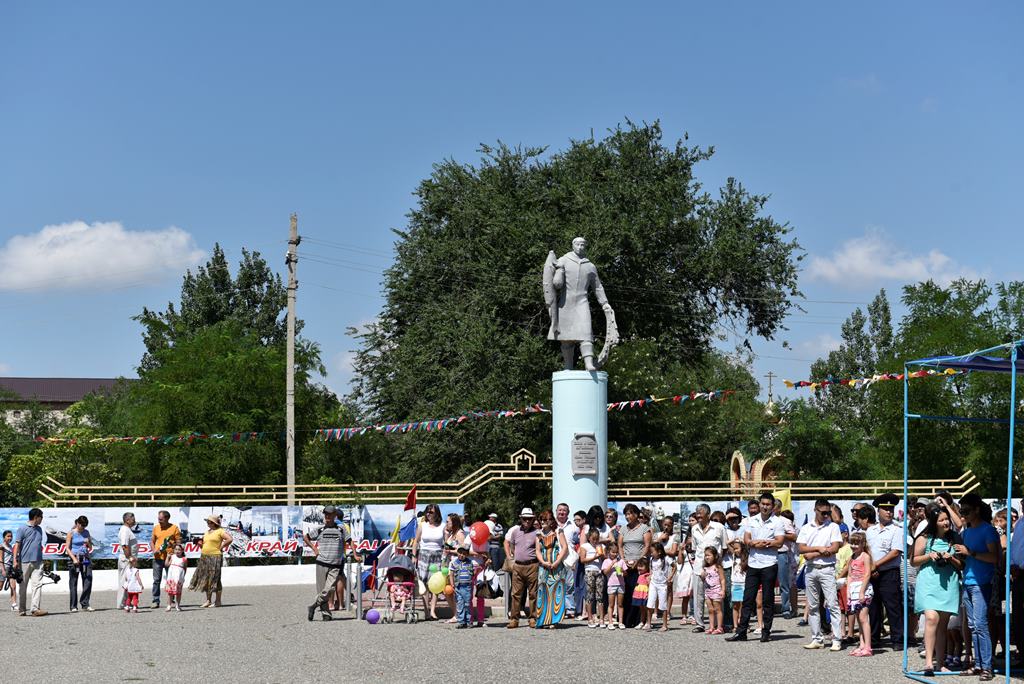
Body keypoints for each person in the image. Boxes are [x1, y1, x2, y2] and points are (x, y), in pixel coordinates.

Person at [727, 491, 785, 642]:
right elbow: (747, 539)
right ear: (759, 505)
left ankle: (766, 631)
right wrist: (754, 543)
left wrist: (765, 543)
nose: (765, 507)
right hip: (753, 563)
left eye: (768, 504)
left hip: (769, 564)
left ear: (773, 507)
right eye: (763, 504)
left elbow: (779, 542)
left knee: (767, 599)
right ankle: (741, 632)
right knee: (748, 598)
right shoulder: (751, 521)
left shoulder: (777, 522)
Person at [912, 502, 962, 676]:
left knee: (943, 625)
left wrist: (951, 558)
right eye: (941, 520)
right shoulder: (924, 538)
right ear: (934, 522)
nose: (946, 523)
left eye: (947, 519)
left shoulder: (954, 538)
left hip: (949, 584)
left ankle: (940, 663)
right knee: (932, 618)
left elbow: (962, 564)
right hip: (928, 584)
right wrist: (929, 555)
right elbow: (914, 560)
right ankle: (928, 662)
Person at [953, 494, 999, 680]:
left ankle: (986, 666)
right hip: (968, 582)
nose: (963, 515)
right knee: (972, 625)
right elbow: (966, 559)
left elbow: (995, 558)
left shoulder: (988, 530)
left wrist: (970, 552)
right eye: (961, 511)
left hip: (982, 583)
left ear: (976, 510)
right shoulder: (967, 532)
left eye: (966, 511)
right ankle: (978, 664)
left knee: (980, 624)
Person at [796, 498, 843, 651]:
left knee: (832, 603)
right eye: (823, 513)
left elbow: (834, 547)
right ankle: (817, 638)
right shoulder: (806, 527)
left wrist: (813, 553)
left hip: (827, 569)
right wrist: (819, 549)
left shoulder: (833, 527)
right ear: (815, 510)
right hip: (810, 569)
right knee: (813, 605)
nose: (826, 516)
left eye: (828, 513)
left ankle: (837, 639)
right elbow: (801, 548)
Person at [866, 493, 904, 650]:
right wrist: (871, 566)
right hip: (872, 572)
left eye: (891, 509)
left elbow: (895, 552)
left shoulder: (897, 529)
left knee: (893, 606)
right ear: (878, 511)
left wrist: (876, 565)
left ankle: (898, 640)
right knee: (873, 608)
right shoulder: (871, 530)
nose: (889, 512)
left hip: (889, 572)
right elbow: (867, 550)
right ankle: (874, 639)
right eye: (885, 509)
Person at [304, 505, 352, 621]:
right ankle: (326, 614)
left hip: (335, 565)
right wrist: (314, 549)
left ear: (335, 516)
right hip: (321, 563)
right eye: (325, 514)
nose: (327, 516)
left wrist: (355, 554)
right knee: (321, 590)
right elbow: (306, 537)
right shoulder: (320, 529)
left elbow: (350, 541)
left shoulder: (341, 529)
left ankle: (313, 605)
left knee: (329, 589)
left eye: (330, 514)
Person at [838, 531, 875, 657]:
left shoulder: (865, 556)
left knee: (864, 618)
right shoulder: (852, 557)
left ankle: (868, 647)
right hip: (853, 588)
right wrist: (848, 591)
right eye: (852, 543)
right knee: (859, 619)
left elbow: (867, 574)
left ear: (862, 544)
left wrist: (861, 591)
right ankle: (861, 644)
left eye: (856, 543)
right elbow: (849, 575)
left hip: (863, 588)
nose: (854, 546)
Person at [618, 503, 652, 628]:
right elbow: (620, 545)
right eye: (626, 514)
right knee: (625, 592)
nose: (628, 516)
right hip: (626, 564)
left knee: (638, 592)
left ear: (636, 515)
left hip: (640, 566)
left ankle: (639, 620)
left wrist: (638, 561)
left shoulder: (644, 528)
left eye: (630, 514)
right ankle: (625, 620)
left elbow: (647, 546)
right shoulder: (623, 529)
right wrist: (623, 560)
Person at [188, 514, 232, 609]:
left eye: (209, 521)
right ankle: (208, 600)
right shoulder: (207, 532)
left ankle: (218, 601)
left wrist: (221, 546)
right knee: (207, 579)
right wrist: (200, 544)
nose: (207, 523)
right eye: (207, 521)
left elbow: (229, 539)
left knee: (215, 578)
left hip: (215, 557)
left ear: (214, 523)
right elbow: (205, 544)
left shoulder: (220, 531)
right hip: (204, 556)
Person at [535, 509, 568, 629]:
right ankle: (543, 619)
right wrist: (543, 562)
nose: (542, 522)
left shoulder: (558, 531)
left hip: (557, 567)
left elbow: (564, 547)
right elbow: (538, 550)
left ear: (550, 521)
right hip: (544, 567)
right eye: (541, 519)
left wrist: (557, 562)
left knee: (556, 592)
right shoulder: (538, 534)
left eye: (545, 519)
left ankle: (554, 619)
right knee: (542, 592)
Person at [507, 507, 539, 629]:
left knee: (533, 594)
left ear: (532, 519)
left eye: (529, 519)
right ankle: (514, 619)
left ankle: (533, 618)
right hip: (518, 565)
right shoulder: (515, 532)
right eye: (525, 518)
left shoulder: (537, 532)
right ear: (521, 519)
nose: (527, 521)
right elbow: (512, 546)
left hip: (532, 565)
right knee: (515, 594)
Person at [412, 504, 445, 620]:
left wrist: (445, 557)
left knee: (435, 584)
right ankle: (426, 611)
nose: (428, 514)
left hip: (437, 555)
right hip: (424, 555)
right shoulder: (422, 525)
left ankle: (432, 611)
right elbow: (416, 541)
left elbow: (446, 543)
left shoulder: (442, 526)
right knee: (424, 584)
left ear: (437, 514)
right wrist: (414, 555)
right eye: (427, 512)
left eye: (431, 512)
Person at [12, 508, 46, 617]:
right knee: (23, 586)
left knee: (37, 585)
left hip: (38, 562)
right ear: (36, 517)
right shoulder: (22, 528)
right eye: (41, 517)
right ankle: (22, 609)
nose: (42, 519)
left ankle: (35, 609)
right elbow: (17, 545)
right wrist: (15, 560)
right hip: (24, 562)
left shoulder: (40, 529)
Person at [149, 510, 181, 609]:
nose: (159, 521)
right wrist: (154, 550)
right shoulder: (156, 528)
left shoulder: (174, 528)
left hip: (170, 557)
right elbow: (152, 541)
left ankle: (172, 600)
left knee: (171, 579)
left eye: (161, 519)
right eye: (158, 519)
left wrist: (172, 544)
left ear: (167, 518)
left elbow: (179, 542)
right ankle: (155, 600)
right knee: (156, 580)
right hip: (157, 558)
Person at [66, 515, 94, 613]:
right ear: (77, 523)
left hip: (85, 558)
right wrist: (73, 558)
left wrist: (88, 542)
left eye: (85, 526)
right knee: (73, 582)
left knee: (88, 580)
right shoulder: (71, 533)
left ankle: (85, 604)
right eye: (81, 526)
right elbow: (67, 548)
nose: (83, 528)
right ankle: (73, 606)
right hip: (74, 558)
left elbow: (90, 547)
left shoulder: (86, 532)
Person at [442, 513, 467, 623]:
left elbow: (463, 550)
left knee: (456, 591)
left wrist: (450, 551)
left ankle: (460, 615)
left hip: (457, 566)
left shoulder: (460, 534)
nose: (446, 523)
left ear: (454, 523)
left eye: (448, 521)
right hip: (448, 565)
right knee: (447, 591)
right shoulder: (452, 534)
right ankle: (456, 613)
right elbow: (446, 545)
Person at [579, 528, 606, 627]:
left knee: (600, 595)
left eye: (597, 539)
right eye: (593, 539)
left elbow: (605, 559)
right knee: (590, 595)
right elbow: (582, 560)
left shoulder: (601, 546)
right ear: (589, 538)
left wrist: (602, 556)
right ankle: (590, 618)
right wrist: (595, 557)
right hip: (589, 571)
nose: (595, 541)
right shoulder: (585, 546)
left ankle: (601, 618)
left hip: (599, 572)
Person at [648, 541, 674, 632]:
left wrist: (670, 577)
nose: (651, 553)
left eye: (653, 551)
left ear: (659, 551)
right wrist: (650, 576)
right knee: (650, 602)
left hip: (662, 584)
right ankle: (648, 623)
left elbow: (674, 566)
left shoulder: (666, 559)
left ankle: (665, 625)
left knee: (663, 605)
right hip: (653, 583)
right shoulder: (651, 559)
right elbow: (651, 569)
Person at [448, 541, 475, 628]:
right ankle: (461, 621)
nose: (461, 555)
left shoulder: (470, 562)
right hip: (458, 586)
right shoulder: (454, 563)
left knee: (467, 604)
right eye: (460, 552)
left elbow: (473, 573)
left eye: (464, 553)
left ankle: (468, 621)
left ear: (467, 554)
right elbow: (451, 574)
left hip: (467, 586)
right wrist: (452, 584)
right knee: (460, 603)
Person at [778, 509, 798, 619]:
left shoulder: (785, 521)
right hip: (769, 553)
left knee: (786, 583)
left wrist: (781, 535)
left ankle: (788, 608)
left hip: (786, 555)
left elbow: (794, 537)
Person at [116, 511, 138, 610]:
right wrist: (130, 557)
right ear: (127, 520)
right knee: (124, 581)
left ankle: (125, 602)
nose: (135, 521)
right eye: (133, 519)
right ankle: (121, 603)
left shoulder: (127, 529)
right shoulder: (125, 530)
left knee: (128, 581)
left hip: (127, 559)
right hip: (126, 560)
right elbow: (125, 545)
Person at [702, 546, 725, 635]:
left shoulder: (718, 567)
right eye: (705, 555)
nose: (707, 557)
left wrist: (723, 590)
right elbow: (704, 579)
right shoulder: (705, 567)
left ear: (715, 556)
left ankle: (719, 627)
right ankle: (711, 627)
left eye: (709, 555)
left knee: (717, 609)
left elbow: (722, 579)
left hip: (716, 590)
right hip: (708, 591)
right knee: (710, 610)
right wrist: (702, 575)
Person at [603, 543, 626, 629]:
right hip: (611, 585)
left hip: (621, 584)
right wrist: (612, 563)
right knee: (611, 604)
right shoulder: (606, 561)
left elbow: (626, 573)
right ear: (609, 552)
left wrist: (622, 570)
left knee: (620, 604)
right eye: (613, 552)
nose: (615, 554)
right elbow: (605, 572)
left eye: (616, 552)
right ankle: (610, 622)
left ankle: (620, 622)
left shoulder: (621, 561)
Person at [729, 539, 749, 632]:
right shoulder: (733, 557)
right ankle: (735, 625)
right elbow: (727, 544)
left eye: (737, 548)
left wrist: (742, 541)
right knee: (735, 606)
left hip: (744, 584)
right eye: (734, 548)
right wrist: (735, 540)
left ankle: (743, 624)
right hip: (735, 584)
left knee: (742, 606)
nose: (735, 550)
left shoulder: (746, 558)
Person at [164, 543, 187, 612]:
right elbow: (166, 565)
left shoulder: (184, 559)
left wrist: (182, 577)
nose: (177, 551)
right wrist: (167, 557)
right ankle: (169, 605)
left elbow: (185, 568)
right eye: (176, 549)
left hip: (179, 578)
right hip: (172, 577)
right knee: (170, 592)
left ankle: (178, 605)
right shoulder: (172, 557)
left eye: (179, 550)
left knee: (178, 592)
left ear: (182, 550)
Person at [633, 557, 651, 630]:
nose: (639, 568)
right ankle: (641, 622)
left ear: (647, 567)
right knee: (641, 609)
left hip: (645, 593)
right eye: (638, 566)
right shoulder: (639, 574)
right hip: (639, 594)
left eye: (641, 566)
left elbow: (649, 585)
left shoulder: (647, 575)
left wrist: (648, 593)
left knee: (646, 608)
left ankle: (647, 622)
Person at [1, 530, 17, 611]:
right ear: (4, 537)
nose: (10, 538)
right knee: (0, 587)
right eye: (8, 536)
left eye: (11, 536)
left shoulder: (11, 547)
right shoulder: (2, 546)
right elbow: (0, 560)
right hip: (2, 568)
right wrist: (3, 570)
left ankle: (14, 605)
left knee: (13, 586)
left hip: (10, 569)